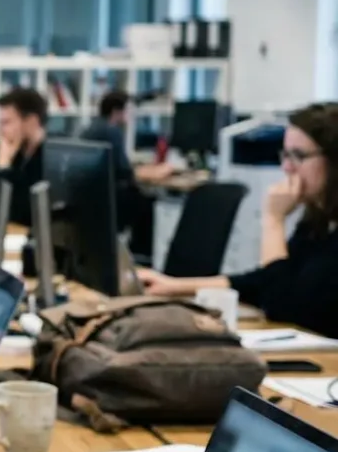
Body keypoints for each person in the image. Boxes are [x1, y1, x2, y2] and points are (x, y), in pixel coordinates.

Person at [140, 103, 338, 338]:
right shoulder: (318, 223)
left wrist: (273, 221)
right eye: (285, 154)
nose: (286, 167)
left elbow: (282, 305)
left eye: (299, 156)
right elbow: (263, 282)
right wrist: (173, 286)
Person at [81, 91, 174, 187]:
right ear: (116, 111)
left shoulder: (91, 127)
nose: (131, 113)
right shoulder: (112, 131)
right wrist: (157, 171)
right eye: (128, 109)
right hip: (114, 189)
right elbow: (125, 172)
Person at [0, 87, 48, 226]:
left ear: (32, 122)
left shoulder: (48, 159)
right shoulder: (18, 152)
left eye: (6, 123)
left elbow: (19, 212)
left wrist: (4, 167)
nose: (0, 130)